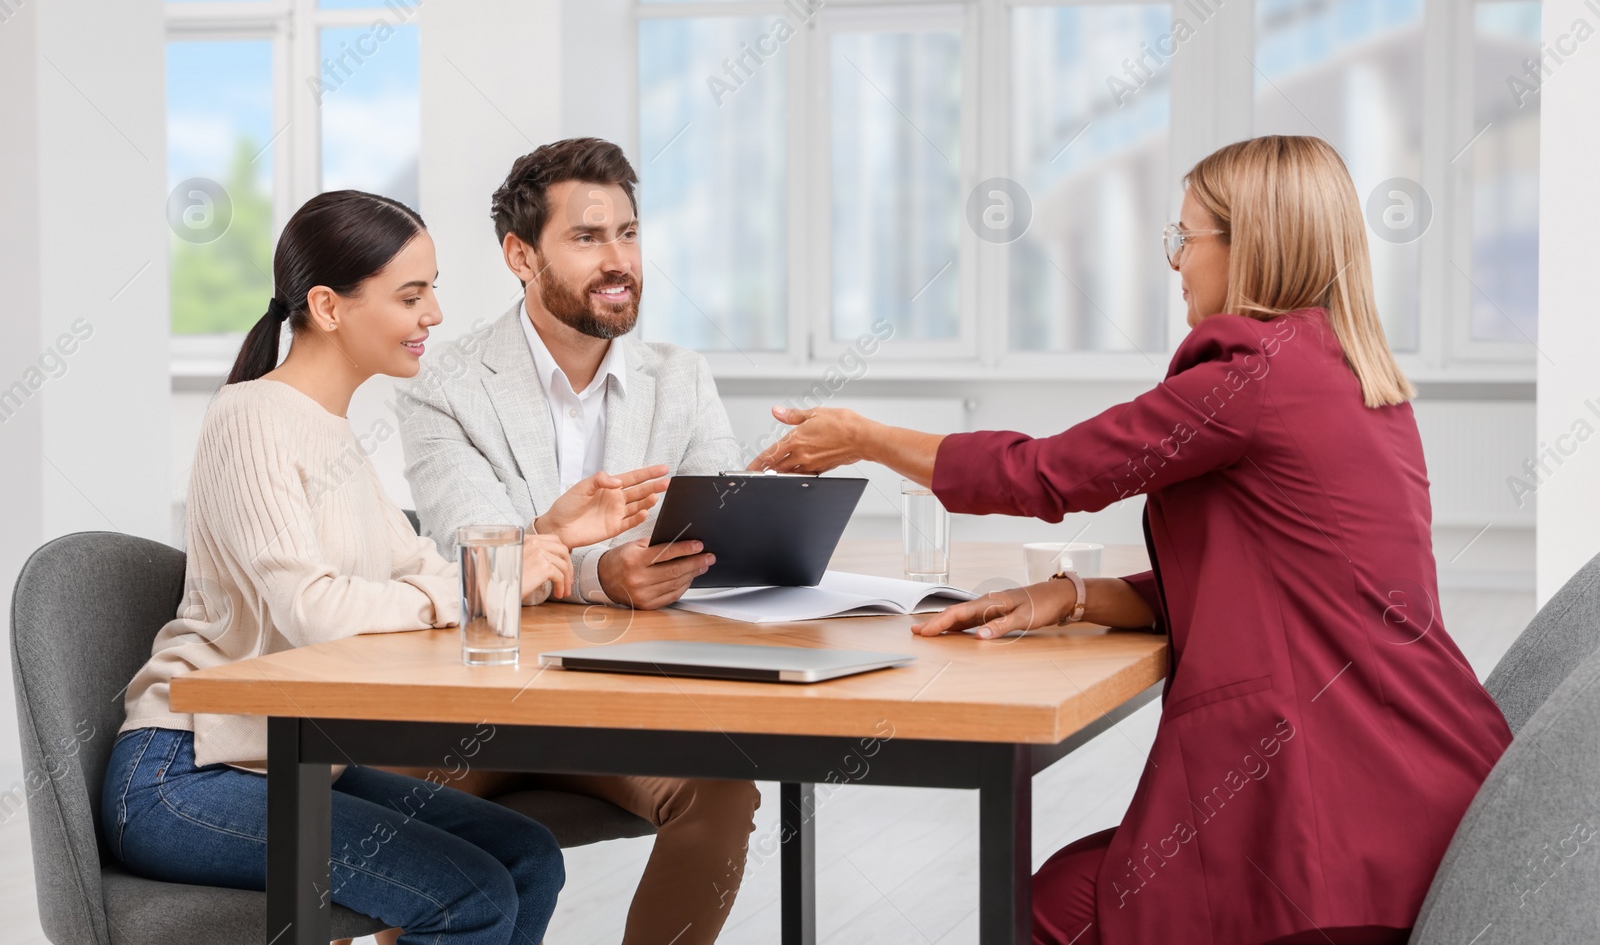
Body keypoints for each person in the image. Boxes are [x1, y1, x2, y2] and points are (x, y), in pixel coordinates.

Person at [746, 136, 1513, 944]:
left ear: (1248, 245)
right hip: (1418, 781)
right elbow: (1291, 579)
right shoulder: (1352, 375)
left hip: (1334, 811)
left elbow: (1045, 474)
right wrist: (1069, 596)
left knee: (1052, 914)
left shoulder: (1250, 380)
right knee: (1063, 895)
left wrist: (863, 435)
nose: (1174, 263)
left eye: (1185, 238)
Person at [106, 189, 656, 945]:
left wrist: (508, 561)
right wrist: (472, 585)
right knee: (470, 896)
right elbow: (317, 611)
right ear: (329, 307)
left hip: (288, 759)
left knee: (527, 857)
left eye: (433, 290)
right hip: (188, 770)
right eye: (411, 294)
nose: (433, 313)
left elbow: (432, 574)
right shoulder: (252, 418)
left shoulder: (337, 441)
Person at [396, 137, 760, 944]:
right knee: (389, 809)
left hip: (620, 701)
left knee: (725, 786)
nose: (618, 258)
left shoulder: (680, 375)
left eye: (627, 233)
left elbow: (720, 534)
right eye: (588, 238)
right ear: (521, 256)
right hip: (478, 703)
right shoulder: (445, 386)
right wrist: (606, 572)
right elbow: (477, 555)